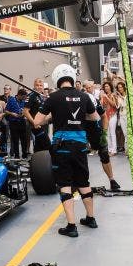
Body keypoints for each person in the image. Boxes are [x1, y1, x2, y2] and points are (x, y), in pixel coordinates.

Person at [33, 65, 99, 237]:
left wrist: (53, 114)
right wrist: (74, 117)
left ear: (56, 79)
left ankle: (71, 226)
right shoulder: (84, 96)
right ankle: (90, 218)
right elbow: (95, 117)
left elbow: (37, 121)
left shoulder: (53, 97)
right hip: (80, 146)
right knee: (83, 181)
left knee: (65, 184)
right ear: (71, 77)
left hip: (62, 147)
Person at [83, 81, 121, 191]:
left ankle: (112, 180)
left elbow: (104, 117)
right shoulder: (80, 99)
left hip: (94, 129)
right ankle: (80, 183)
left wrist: (104, 133)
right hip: (80, 129)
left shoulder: (93, 100)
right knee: (79, 155)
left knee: (104, 154)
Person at [25, 78, 49, 152]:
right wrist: (34, 122)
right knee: (47, 144)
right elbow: (25, 111)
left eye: (41, 85)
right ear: (34, 86)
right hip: (36, 125)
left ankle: (36, 161)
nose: (39, 87)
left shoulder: (42, 96)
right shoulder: (31, 96)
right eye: (37, 85)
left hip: (44, 124)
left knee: (39, 145)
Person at [4, 87, 27, 157]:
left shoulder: (24, 101)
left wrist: (24, 113)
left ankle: (24, 154)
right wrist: (12, 114)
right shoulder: (11, 100)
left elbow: (26, 110)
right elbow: (6, 110)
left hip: (22, 122)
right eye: (23, 97)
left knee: (24, 140)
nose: (24, 98)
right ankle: (17, 155)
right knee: (15, 140)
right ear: (19, 95)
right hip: (13, 123)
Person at [99, 81, 118, 154]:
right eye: (105, 86)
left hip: (112, 115)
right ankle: (109, 149)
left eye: (107, 86)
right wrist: (102, 97)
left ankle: (114, 150)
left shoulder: (113, 95)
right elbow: (101, 105)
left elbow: (114, 105)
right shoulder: (103, 95)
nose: (106, 87)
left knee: (112, 132)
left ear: (110, 87)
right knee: (107, 133)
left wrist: (107, 97)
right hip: (105, 116)